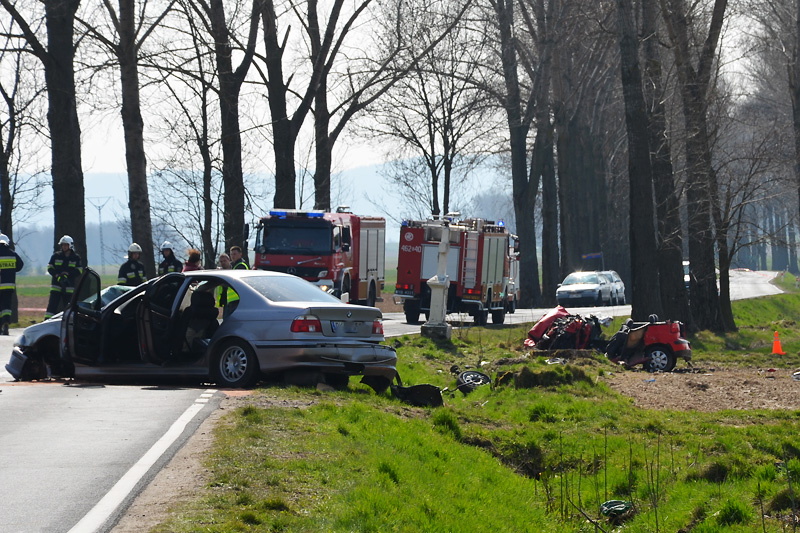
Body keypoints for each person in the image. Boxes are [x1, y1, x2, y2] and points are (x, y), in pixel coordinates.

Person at [45, 235, 84, 319]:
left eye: (65, 245)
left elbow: (79, 270)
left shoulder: (76, 258)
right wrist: (57, 275)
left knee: (69, 306)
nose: (64, 247)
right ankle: (47, 321)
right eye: (62, 245)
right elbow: (50, 268)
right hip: (56, 285)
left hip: (69, 286)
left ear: (70, 245)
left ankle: (69, 322)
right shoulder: (56, 256)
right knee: (52, 306)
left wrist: (69, 274)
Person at [0, 234, 23, 335]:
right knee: (6, 306)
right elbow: (20, 265)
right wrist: (12, 270)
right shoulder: (13, 254)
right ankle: (6, 324)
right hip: (9, 285)